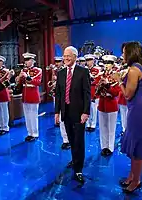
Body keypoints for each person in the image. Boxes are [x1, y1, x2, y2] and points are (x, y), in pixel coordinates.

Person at [112, 42, 142, 193]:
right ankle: (132, 175)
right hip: (137, 107)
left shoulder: (134, 70)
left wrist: (118, 80)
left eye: (124, 52)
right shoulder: (136, 68)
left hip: (139, 109)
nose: (122, 55)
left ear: (130, 53)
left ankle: (136, 181)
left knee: (138, 145)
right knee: (134, 142)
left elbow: (128, 95)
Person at [55, 46, 91, 183]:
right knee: (71, 139)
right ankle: (75, 159)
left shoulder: (83, 72)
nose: (66, 58)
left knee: (79, 141)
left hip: (79, 113)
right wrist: (57, 112)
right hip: (66, 112)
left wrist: (86, 112)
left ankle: (79, 169)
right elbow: (58, 94)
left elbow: (87, 94)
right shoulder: (61, 73)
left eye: (68, 56)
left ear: (75, 57)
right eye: (64, 56)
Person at [97, 55, 121, 156]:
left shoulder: (116, 76)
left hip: (111, 104)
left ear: (112, 65)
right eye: (106, 63)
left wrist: (107, 85)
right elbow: (97, 91)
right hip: (102, 104)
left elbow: (116, 92)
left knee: (111, 128)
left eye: (109, 63)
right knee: (103, 127)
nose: (107, 65)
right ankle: (104, 146)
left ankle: (110, 147)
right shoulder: (101, 75)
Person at [16, 52, 42, 142]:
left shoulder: (38, 70)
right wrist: (19, 76)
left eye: (28, 60)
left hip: (33, 95)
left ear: (32, 61)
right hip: (25, 95)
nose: (26, 62)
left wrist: (26, 76)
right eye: (25, 60)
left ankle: (35, 133)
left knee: (33, 115)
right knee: (27, 116)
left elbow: (37, 82)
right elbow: (18, 82)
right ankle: (29, 133)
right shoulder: (24, 71)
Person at [85, 54, 99, 132]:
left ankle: (93, 125)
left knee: (94, 110)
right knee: (87, 109)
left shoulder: (96, 70)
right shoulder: (84, 69)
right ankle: (87, 124)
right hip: (86, 92)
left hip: (94, 92)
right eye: (87, 60)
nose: (88, 62)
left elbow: (96, 81)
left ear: (93, 61)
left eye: (90, 60)